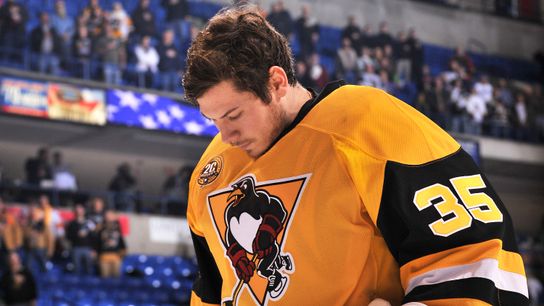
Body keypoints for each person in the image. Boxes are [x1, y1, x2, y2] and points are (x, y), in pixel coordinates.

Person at [182, 6, 528, 306]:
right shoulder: (212, 173)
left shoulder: (370, 124)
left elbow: (475, 253)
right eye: (212, 121)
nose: (224, 136)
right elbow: (211, 291)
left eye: (233, 115)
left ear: (276, 82)